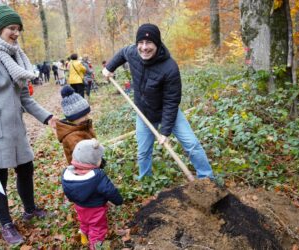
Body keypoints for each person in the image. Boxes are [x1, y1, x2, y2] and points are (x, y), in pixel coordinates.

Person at [0, 4, 57, 245]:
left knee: (26, 169)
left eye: (18, 29)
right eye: (11, 28)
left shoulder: (16, 56)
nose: (15, 33)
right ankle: (6, 224)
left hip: (16, 128)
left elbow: (25, 97)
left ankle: (30, 209)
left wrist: (48, 117)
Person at [102, 23, 214, 180]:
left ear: (157, 44)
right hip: (144, 113)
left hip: (167, 112)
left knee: (192, 145)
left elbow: (171, 101)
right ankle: (146, 182)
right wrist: (109, 68)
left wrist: (165, 131)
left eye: (149, 43)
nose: (144, 47)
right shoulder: (133, 52)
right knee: (143, 152)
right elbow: (122, 53)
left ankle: (207, 179)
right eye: (140, 43)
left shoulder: (169, 67)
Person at [62, 139, 123, 249]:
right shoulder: (97, 176)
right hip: (95, 210)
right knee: (98, 230)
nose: (101, 160)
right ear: (92, 162)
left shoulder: (67, 174)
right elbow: (110, 191)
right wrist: (118, 201)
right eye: (99, 158)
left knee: (84, 223)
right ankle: (96, 247)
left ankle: (84, 237)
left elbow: (68, 192)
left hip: (79, 207)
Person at [56, 85, 96, 164]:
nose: (87, 117)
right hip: (83, 169)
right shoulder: (71, 137)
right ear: (72, 118)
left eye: (87, 114)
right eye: (83, 116)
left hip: (92, 163)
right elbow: (83, 157)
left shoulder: (83, 125)